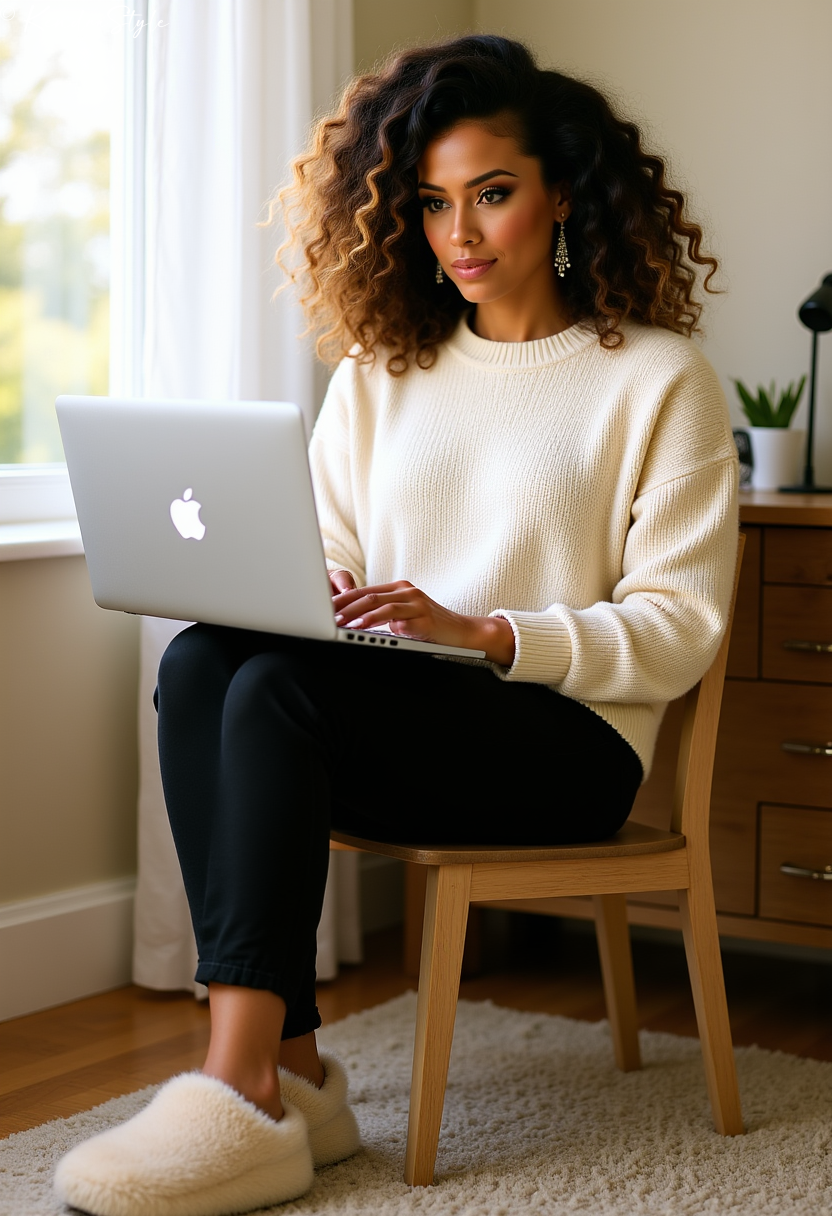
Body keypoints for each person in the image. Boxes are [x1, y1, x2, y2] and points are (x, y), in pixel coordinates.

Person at [55, 33, 738, 1216]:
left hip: (562, 743)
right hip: (398, 708)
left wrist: (488, 633)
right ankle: (298, 1071)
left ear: (562, 193)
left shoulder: (661, 381)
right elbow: (328, 553)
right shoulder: (383, 373)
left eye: (492, 195)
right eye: (431, 203)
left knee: (271, 693)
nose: (460, 233)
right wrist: (306, 597)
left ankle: (240, 1085)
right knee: (206, 659)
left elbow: (679, 627)